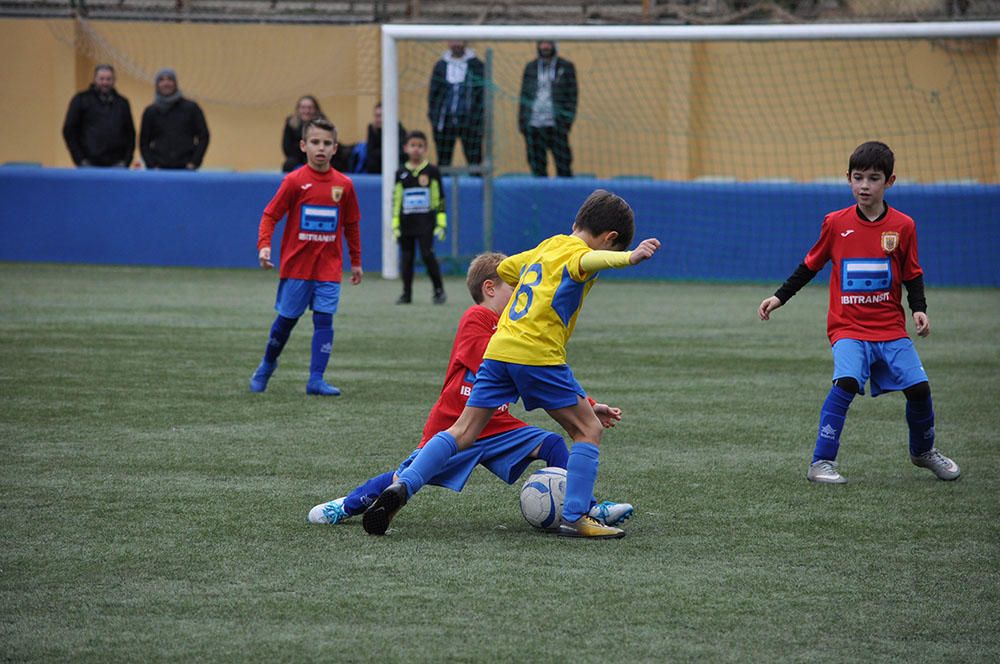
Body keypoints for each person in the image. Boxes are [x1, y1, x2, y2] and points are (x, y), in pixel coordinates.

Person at [362, 189, 660, 539]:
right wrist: (629, 257)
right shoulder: (580, 255)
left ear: (576, 222)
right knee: (587, 430)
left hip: (500, 349)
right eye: (613, 247)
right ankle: (577, 515)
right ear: (610, 239)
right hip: (537, 354)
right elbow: (589, 262)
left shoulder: (547, 246)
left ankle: (404, 487)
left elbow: (506, 268)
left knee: (462, 431)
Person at [308, 252, 633, 528]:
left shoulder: (513, 328)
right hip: (454, 422)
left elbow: (539, 371)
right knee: (405, 476)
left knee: (550, 444)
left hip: (497, 423)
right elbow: (522, 369)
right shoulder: (477, 317)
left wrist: (586, 404)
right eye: (516, 288)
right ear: (490, 288)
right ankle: (348, 505)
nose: (521, 296)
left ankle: (586, 506)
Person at [757, 141, 960, 485]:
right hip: (847, 327)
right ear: (848, 179)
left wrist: (919, 310)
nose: (865, 185)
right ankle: (820, 462)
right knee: (847, 382)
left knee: (919, 388)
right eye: (858, 177)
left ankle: (923, 452)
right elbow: (810, 265)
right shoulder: (835, 223)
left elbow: (912, 273)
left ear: (889, 182)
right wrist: (779, 298)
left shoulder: (903, 226)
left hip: (891, 329)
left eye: (874, 178)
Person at [249, 117, 363, 397]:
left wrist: (356, 261)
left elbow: (351, 224)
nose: (320, 148)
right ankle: (266, 365)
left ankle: (316, 379)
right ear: (303, 145)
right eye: (315, 142)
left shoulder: (344, 185)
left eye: (326, 143)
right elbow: (270, 215)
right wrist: (264, 246)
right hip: (297, 268)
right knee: (286, 321)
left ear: (335, 148)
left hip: (328, 270)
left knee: (324, 321)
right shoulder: (294, 181)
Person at [393, 130, 447, 306]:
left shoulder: (432, 171)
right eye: (413, 145)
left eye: (420, 146)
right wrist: (395, 224)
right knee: (406, 258)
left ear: (426, 149)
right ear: (406, 148)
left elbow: (438, 198)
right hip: (406, 224)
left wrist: (440, 223)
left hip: (426, 223)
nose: (416, 149)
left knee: (427, 255)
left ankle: (439, 290)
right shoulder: (400, 173)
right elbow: (397, 200)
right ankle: (406, 293)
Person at [518, 40, 578, 178]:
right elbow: (523, 96)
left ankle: (565, 197)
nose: (545, 47)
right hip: (533, 125)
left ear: (555, 45)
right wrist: (522, 123)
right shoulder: (531, 67)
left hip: (556, 125)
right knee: (537, 168)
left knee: (564, 166)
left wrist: (566, 121)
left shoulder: (566, 67)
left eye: (548, 43)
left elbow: (572, 97)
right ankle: (540, 198)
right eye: (542, 43)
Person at [62, 64, 136, 168]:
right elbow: (69, 130)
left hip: (117, 165)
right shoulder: (81, 100)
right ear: (94, 79)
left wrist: (126, 160)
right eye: (101, 79)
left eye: (108, 79)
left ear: (114, 80)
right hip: (89, 164)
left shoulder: (122, 103)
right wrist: (80, 159)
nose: (105, 82)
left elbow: (130, 134)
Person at [427, 41, 484, 168]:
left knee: (474, 161)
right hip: (445, 121)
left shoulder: (476, 65)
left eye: (459, 40)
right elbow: (433, 95)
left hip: (469, 122)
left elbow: (482, 96)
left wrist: (478, 119)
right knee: (444, 161)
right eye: (453, 40)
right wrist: (434, 118)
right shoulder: (440, 66)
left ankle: (478, 186)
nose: (456, 44)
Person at [139, 68, 209, 170]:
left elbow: (204, 136)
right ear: (157, 85)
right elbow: (143, 141)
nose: (166, 83)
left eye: (170, 79)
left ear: (175, 83)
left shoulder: (192, 108)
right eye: (161, 80)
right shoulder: (151, 111)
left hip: (186, 168)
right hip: (159, 169)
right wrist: (152, 165)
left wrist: (194, 162)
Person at [281, 95, 323, 172]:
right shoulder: (291, 123)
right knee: (288, 164)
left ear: (316, 109)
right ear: (298, 109)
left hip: (316, 155)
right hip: (296, 156)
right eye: (303, 108)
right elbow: (286, 147)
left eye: (310, 108)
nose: (306, 111)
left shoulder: (322, 123)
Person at [363, 101, 406, 174]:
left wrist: (383, 153)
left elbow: (400, 152)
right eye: (376, 116)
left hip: (395, 165)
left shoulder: (398, 128)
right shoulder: (372, 128)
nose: (378, 119)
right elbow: (370, 152)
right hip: (377, 168)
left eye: (381, 116)